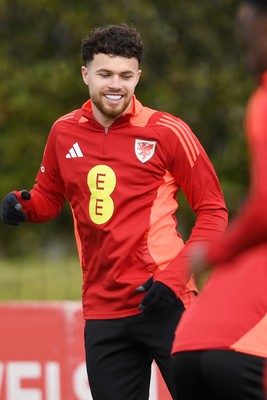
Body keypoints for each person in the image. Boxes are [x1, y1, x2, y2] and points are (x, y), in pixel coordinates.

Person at [0, 23, 228, 400]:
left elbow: (214, 213)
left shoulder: (167, 131)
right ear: (85, 73)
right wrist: (21, 206)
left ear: (138, 76)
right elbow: (48, 198)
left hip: (167, 299)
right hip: (103, 311)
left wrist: (173, 280)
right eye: (105, 74)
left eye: (125, 75)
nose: (115, 85)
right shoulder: (63, 132)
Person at [172, 1, 267, 399]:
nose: (246, 47)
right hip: (244, 351)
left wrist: (217, 251)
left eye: (250, 32)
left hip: (191, 346)